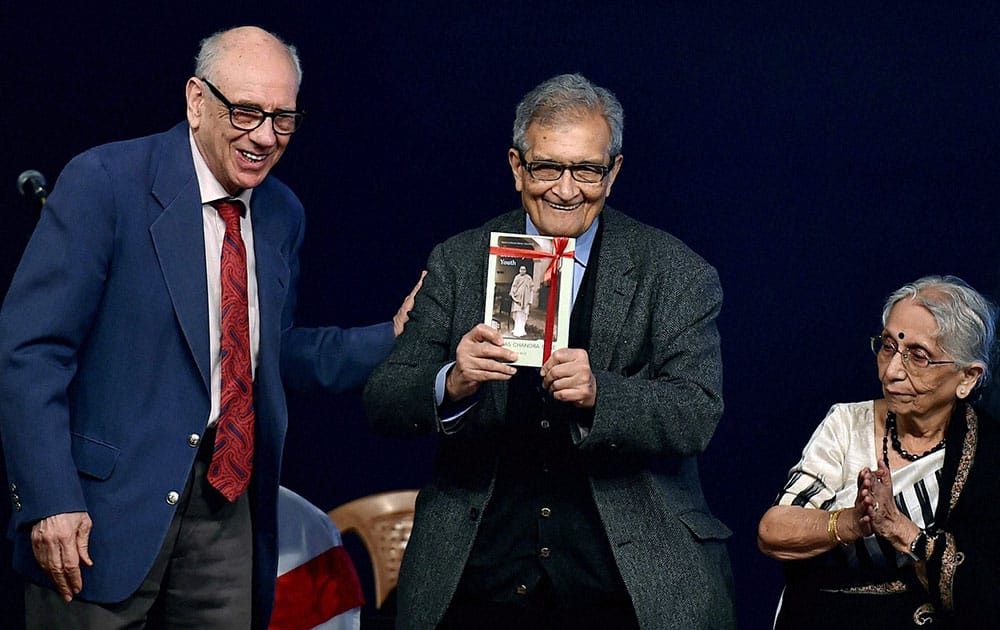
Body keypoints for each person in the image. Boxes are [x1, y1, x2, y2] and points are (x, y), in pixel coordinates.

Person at [0, 26, 418, 629]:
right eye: (247, 111)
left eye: (284, 118)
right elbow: (31, 352)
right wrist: (49, 501)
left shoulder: (283, 213)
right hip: (101, 516)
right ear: (197, 100)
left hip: (228, 509)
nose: (265, 136)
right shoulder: (105, 181)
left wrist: (395, 336)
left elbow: (271, 354)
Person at [364, 73, 735, 630]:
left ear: (613, 173)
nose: (566, 189)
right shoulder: (459, 261)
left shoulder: (676, 272)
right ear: (517, 168)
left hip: (626, 578)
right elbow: (384, 400)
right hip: (479, 571)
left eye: (586, 169)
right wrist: (453, 381)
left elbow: (697, 412)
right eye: (546, 168)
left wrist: (601, 394)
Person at [757, 276, 1000, 628]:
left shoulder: (989, 456)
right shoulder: (847, 423)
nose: (892, 372)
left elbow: (987, 592)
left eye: (918, 356)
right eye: (888, 346)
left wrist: (900, 529)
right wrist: (854, 522)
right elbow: (773, 530)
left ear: (967, 378)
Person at [509, 265, 534, 337]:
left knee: (523, 315)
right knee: (517, 315)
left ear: (526, 270)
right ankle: (516, 330)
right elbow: (513, 286)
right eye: (521, 269)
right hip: (517, 299)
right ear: (519, 270)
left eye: (524, 269)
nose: (522, 271)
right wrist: (513, 296)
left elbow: (531, 289)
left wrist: (530, 300)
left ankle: (522, 330)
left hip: (526, 300)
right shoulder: (517, 277)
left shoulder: (528, 278)